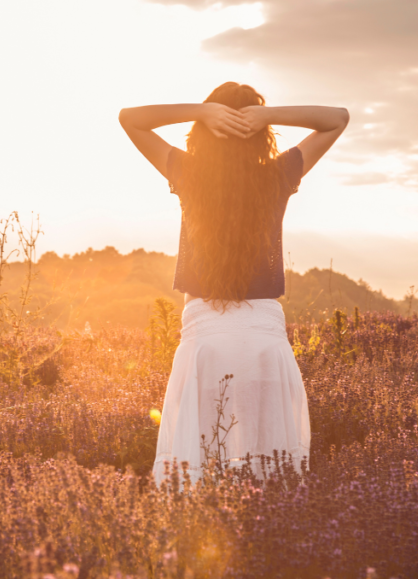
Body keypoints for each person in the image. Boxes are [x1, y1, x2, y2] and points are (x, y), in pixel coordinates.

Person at [118, 82, 349, 487]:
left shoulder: (188, 173)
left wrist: (201, 112)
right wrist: (268, 115)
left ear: (203, 134)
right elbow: (337, 120)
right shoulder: (278, 175)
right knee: (268, 462)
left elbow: (130, 119)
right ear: (262, 137)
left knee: (199, 460)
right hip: (264, 338)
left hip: (205, 337)